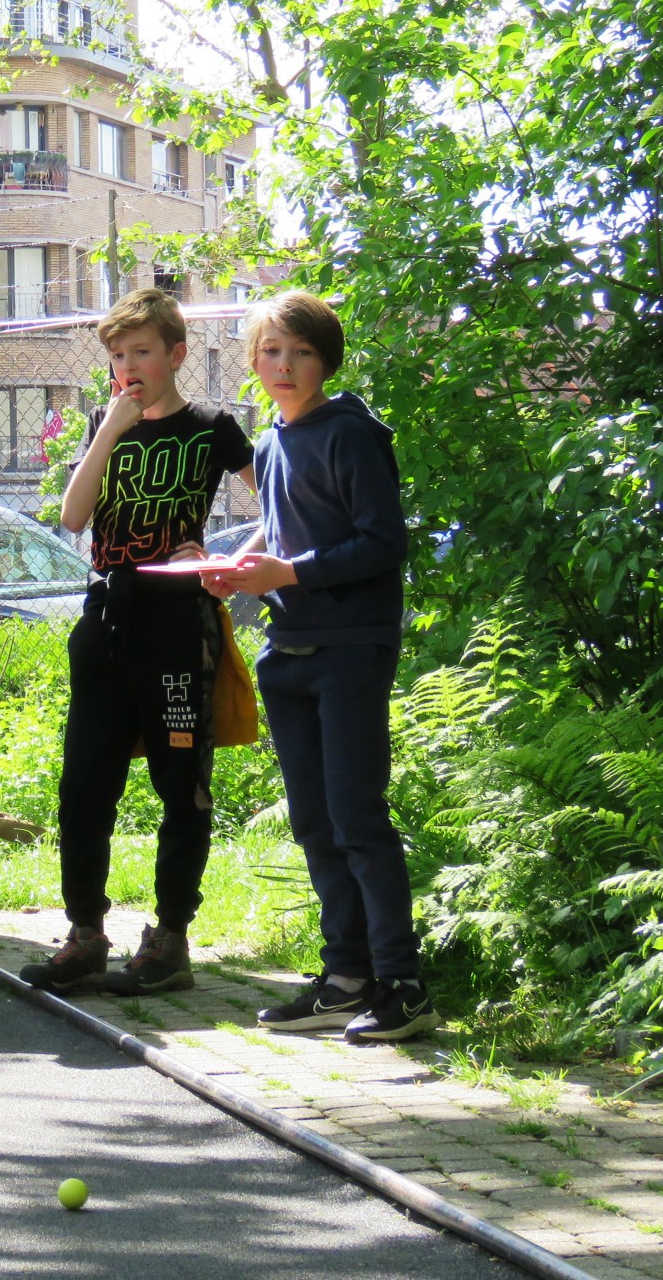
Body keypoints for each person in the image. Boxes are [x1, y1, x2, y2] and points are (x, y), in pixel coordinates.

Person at [202, 292, 435, 1042]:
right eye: (271, 352)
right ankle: (345, 977)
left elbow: (381, 544)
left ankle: (404, 985)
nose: (284, 366)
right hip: (288, 652)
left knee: (358, 818)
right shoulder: (269, 445)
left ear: (325, 361)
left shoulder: (352, 434)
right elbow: (285, 535)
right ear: (254, 362)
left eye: (300, 352)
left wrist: (288, 574)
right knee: (313, 820)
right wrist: (238, 566)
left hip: (351, 647)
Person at [18, 287, 256, 999]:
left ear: (177, 355)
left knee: (182, 789)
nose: (128, 367)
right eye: (117, 355)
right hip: (107, 620)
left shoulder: (213, 425)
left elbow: (275, 496)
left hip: (178, 625)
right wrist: (109, 430)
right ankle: (86, 934)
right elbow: (72, 515)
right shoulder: (106, 423)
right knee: (83, 786)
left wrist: (223, 565)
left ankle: (170, 939)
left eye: (141, 352)